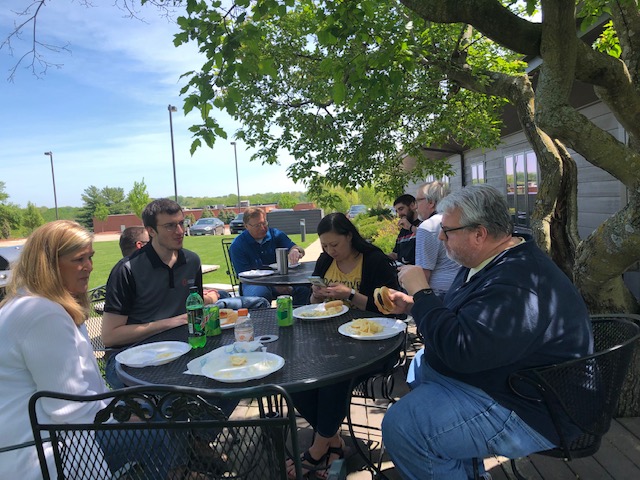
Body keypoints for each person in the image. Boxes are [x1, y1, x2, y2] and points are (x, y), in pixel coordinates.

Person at [380, 184, 593, 480]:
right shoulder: (489, 261)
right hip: (503, 379)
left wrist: (423, 294)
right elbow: (465, 317)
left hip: (532, 407)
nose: (440, 237)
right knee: (420, 367)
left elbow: (463, 351)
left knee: (403, 427)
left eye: (448, 230)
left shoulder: (518, 282)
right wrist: (412, 306)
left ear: (479, 234)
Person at [0, 221, 177, 479]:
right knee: (157, 430)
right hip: (40, 449)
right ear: (48, 265)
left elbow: (82, 391)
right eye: (78, 259)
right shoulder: (42, 313)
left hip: (42, 437)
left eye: (90, 257)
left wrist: (122, 408)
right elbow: (68, 410)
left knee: (149, 411)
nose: (89, 267)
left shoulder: (31, 304)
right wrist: (123, 418)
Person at [287, 212, 401, 478]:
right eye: (324, 245)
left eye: (335, 244)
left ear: (350, 236)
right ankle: (334, 443)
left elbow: (390, 310)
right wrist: (315, 296)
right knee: (296, 372)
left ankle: (317, 450)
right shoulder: (326, 261)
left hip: (374, 342)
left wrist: (349, 294)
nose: (329, 251)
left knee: (333, 376)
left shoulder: (374, 261)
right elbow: (314, 303)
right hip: (331, 337)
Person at [102, 198, 232, 389]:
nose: (180, 231)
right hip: (129, 357)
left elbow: (193, 306)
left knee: (226, 380)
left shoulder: (192, 261)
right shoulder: (127, 270)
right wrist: (170, 323)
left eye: (181, 223)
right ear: (151, 231)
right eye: (170, 226)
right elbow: (110, 337)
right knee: (168, 404)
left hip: (179, 348)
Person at [119, 225, 269, 311]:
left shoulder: (132, 270)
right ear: (140, 245)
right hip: (194, 316)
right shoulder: (134, 273)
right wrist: (211, 297)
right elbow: (182, 304)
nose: (180, 232)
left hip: (194, 312)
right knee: (255, 301)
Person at [229, 207, 309, 305]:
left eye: (264, 223)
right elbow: (244, 275)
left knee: (305, 288)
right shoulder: (238, 245)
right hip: (253, 283)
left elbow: (297, 248)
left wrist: (295, 251)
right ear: (246, 226)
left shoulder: (275, 234)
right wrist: (274, 286)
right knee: (260, 295)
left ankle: (298, 316)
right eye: (258, 225)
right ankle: (263, 320)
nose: (263, 228)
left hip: (280, 280)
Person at [414, 181, 460, 294]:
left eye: (418, 200)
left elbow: (423, 274)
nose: (415, 206)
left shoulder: (427, 227)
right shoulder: (459, 220)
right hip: (460, 288)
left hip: (438, 293)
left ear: (430, 202)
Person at [388, 194, 421, 265]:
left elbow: (427, 237)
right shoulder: (403, 230)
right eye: (397, 211)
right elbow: (395, 254)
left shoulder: (423, 225)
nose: (399, 214)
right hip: (402, 270)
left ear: (412, 206)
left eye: (401, 209)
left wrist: (410, 227)